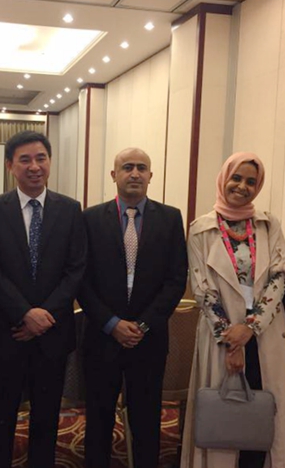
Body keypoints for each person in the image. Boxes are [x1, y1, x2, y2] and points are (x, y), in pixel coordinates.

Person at [0, 131, 87, 468]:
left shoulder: (70, 209)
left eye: (41, 158)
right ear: (10, 166)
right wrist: (25, 313)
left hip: (52, 333)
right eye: (25, 160)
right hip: (8, 332)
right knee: (2, 416)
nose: (34, 166)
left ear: (50, 162)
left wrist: (43, 317)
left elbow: (76, 270)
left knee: (47, 416)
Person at [181, 153, 285, 468]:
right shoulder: (201, 229)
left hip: (265, 332)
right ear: (224, 178)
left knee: (264, 408)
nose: (242, 186)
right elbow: (202, 289)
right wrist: (232, 339)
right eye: (236, 178)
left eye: (251, 182)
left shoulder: (268, 224)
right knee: (224, 412)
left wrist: (251, 327)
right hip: (222, 333)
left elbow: (279, 277)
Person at [78, 148, 187, 468]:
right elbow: (81, 279)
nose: (135, 173)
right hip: (102, 336)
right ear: (114, 175)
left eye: (142, 168)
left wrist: (143, 325)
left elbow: (176, 279)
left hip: (148, 338)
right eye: (127, 167)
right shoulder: (89, 219)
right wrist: (111, 323)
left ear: (151, 175)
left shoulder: (170, 218)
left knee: (147, 418)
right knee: (98, 418)